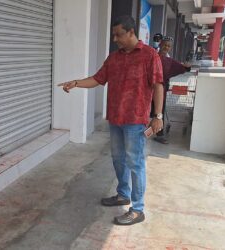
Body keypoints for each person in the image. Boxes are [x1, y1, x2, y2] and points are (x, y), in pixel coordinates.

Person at [58, 16, 164, 225]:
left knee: (135, 163)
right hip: (115, 118)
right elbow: (98, 79)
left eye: (119, 34)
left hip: (135, 120)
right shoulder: (114, 58)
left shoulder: (150, 55)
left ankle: (137, 208)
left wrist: (157, 116)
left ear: (132, 32)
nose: (115, 38)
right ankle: (123, 194)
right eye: (114, 34)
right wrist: (76, 83)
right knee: (118, 158)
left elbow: (158, 85)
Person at [151, 36, 191, 144]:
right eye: (165, 45)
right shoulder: (153, 56)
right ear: (160, 44)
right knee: (149, 112)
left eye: (169, 46)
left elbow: (179, 67)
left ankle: (155, 134)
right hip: (149, 89)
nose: (166, 47)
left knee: (159, 113)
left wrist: (186, 67)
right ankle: (146, 133)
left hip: (161, 90)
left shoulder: (169, 60)